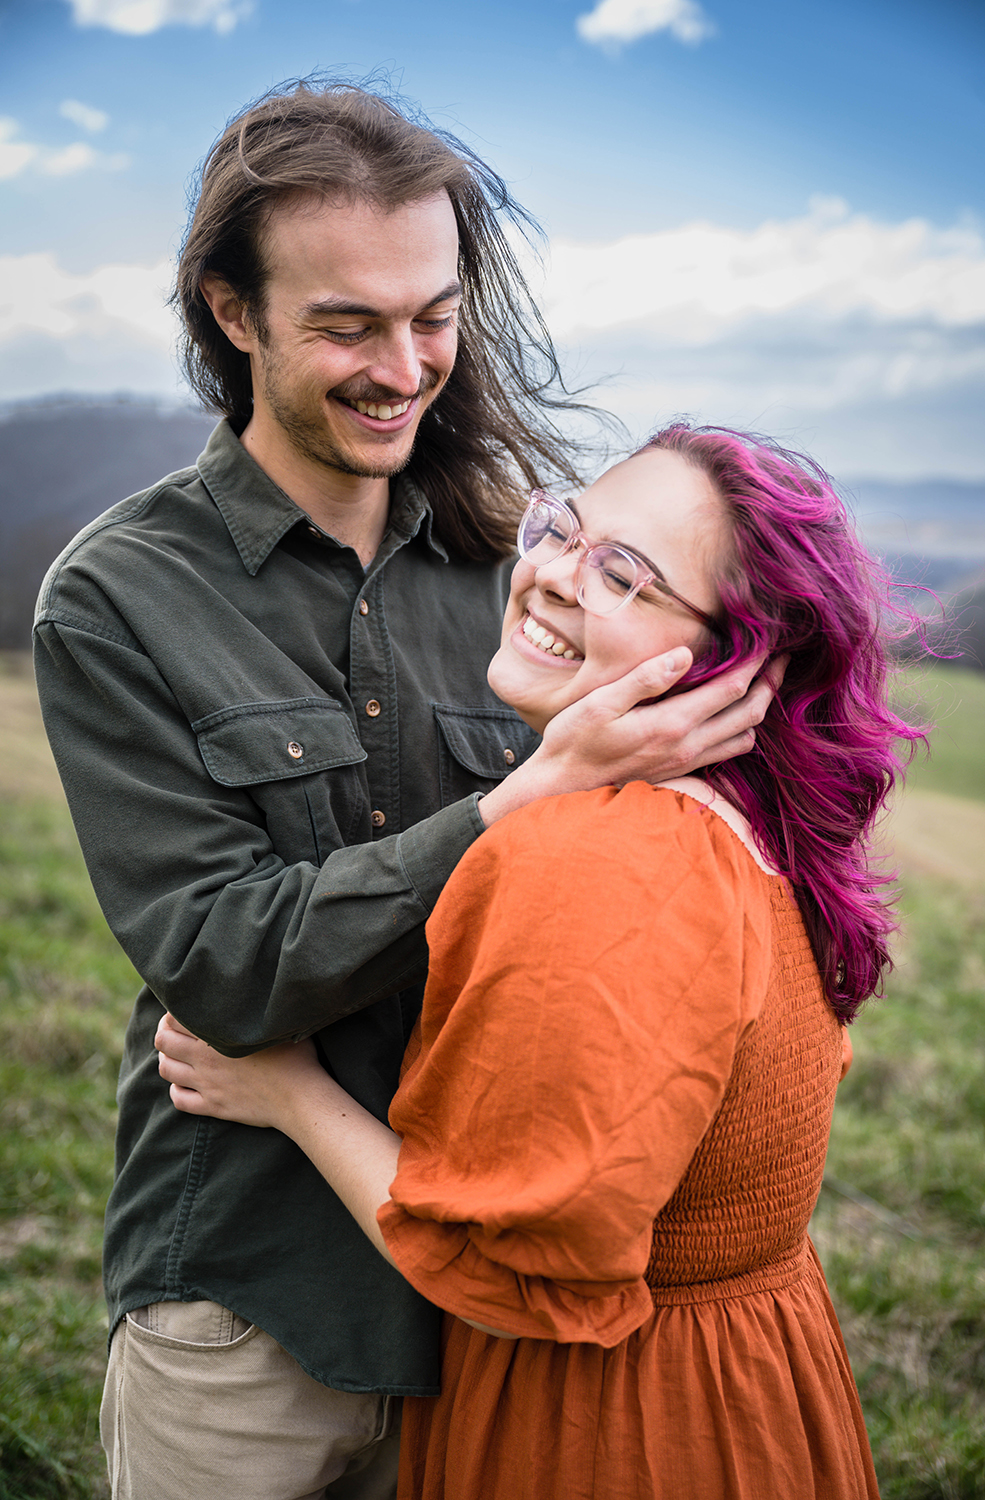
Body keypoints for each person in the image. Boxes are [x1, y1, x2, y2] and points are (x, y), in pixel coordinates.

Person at [33, 82, 772, 1500]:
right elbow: (219, 965)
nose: (405, 365)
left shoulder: (522, 578)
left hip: (490, 1313)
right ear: (232, 313)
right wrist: (521, 798)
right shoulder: (119, 598)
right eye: (348, 324)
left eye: (433, 315)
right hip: (249, 1293)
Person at [156, 423, 924, 1499]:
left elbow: (505, 1271)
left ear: (734, 662)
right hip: (747, 1391)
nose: (554, 575)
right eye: (565, 528)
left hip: (613, 1431)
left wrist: (285, 1091)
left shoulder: (609, 857)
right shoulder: (742, 829)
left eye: (624, 575)